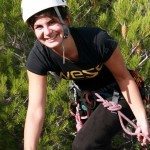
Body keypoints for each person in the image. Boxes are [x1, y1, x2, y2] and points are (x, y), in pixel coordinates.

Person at [21, 0, 150, 149]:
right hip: (92, 98)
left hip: (121, 92)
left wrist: (142, 121)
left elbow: (124, 79)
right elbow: (35, 111)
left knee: (84, 145)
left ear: (67, 20)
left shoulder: (96, 40)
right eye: (39, 27)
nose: (47, 32)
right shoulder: (39, 57)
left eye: (52, 23)